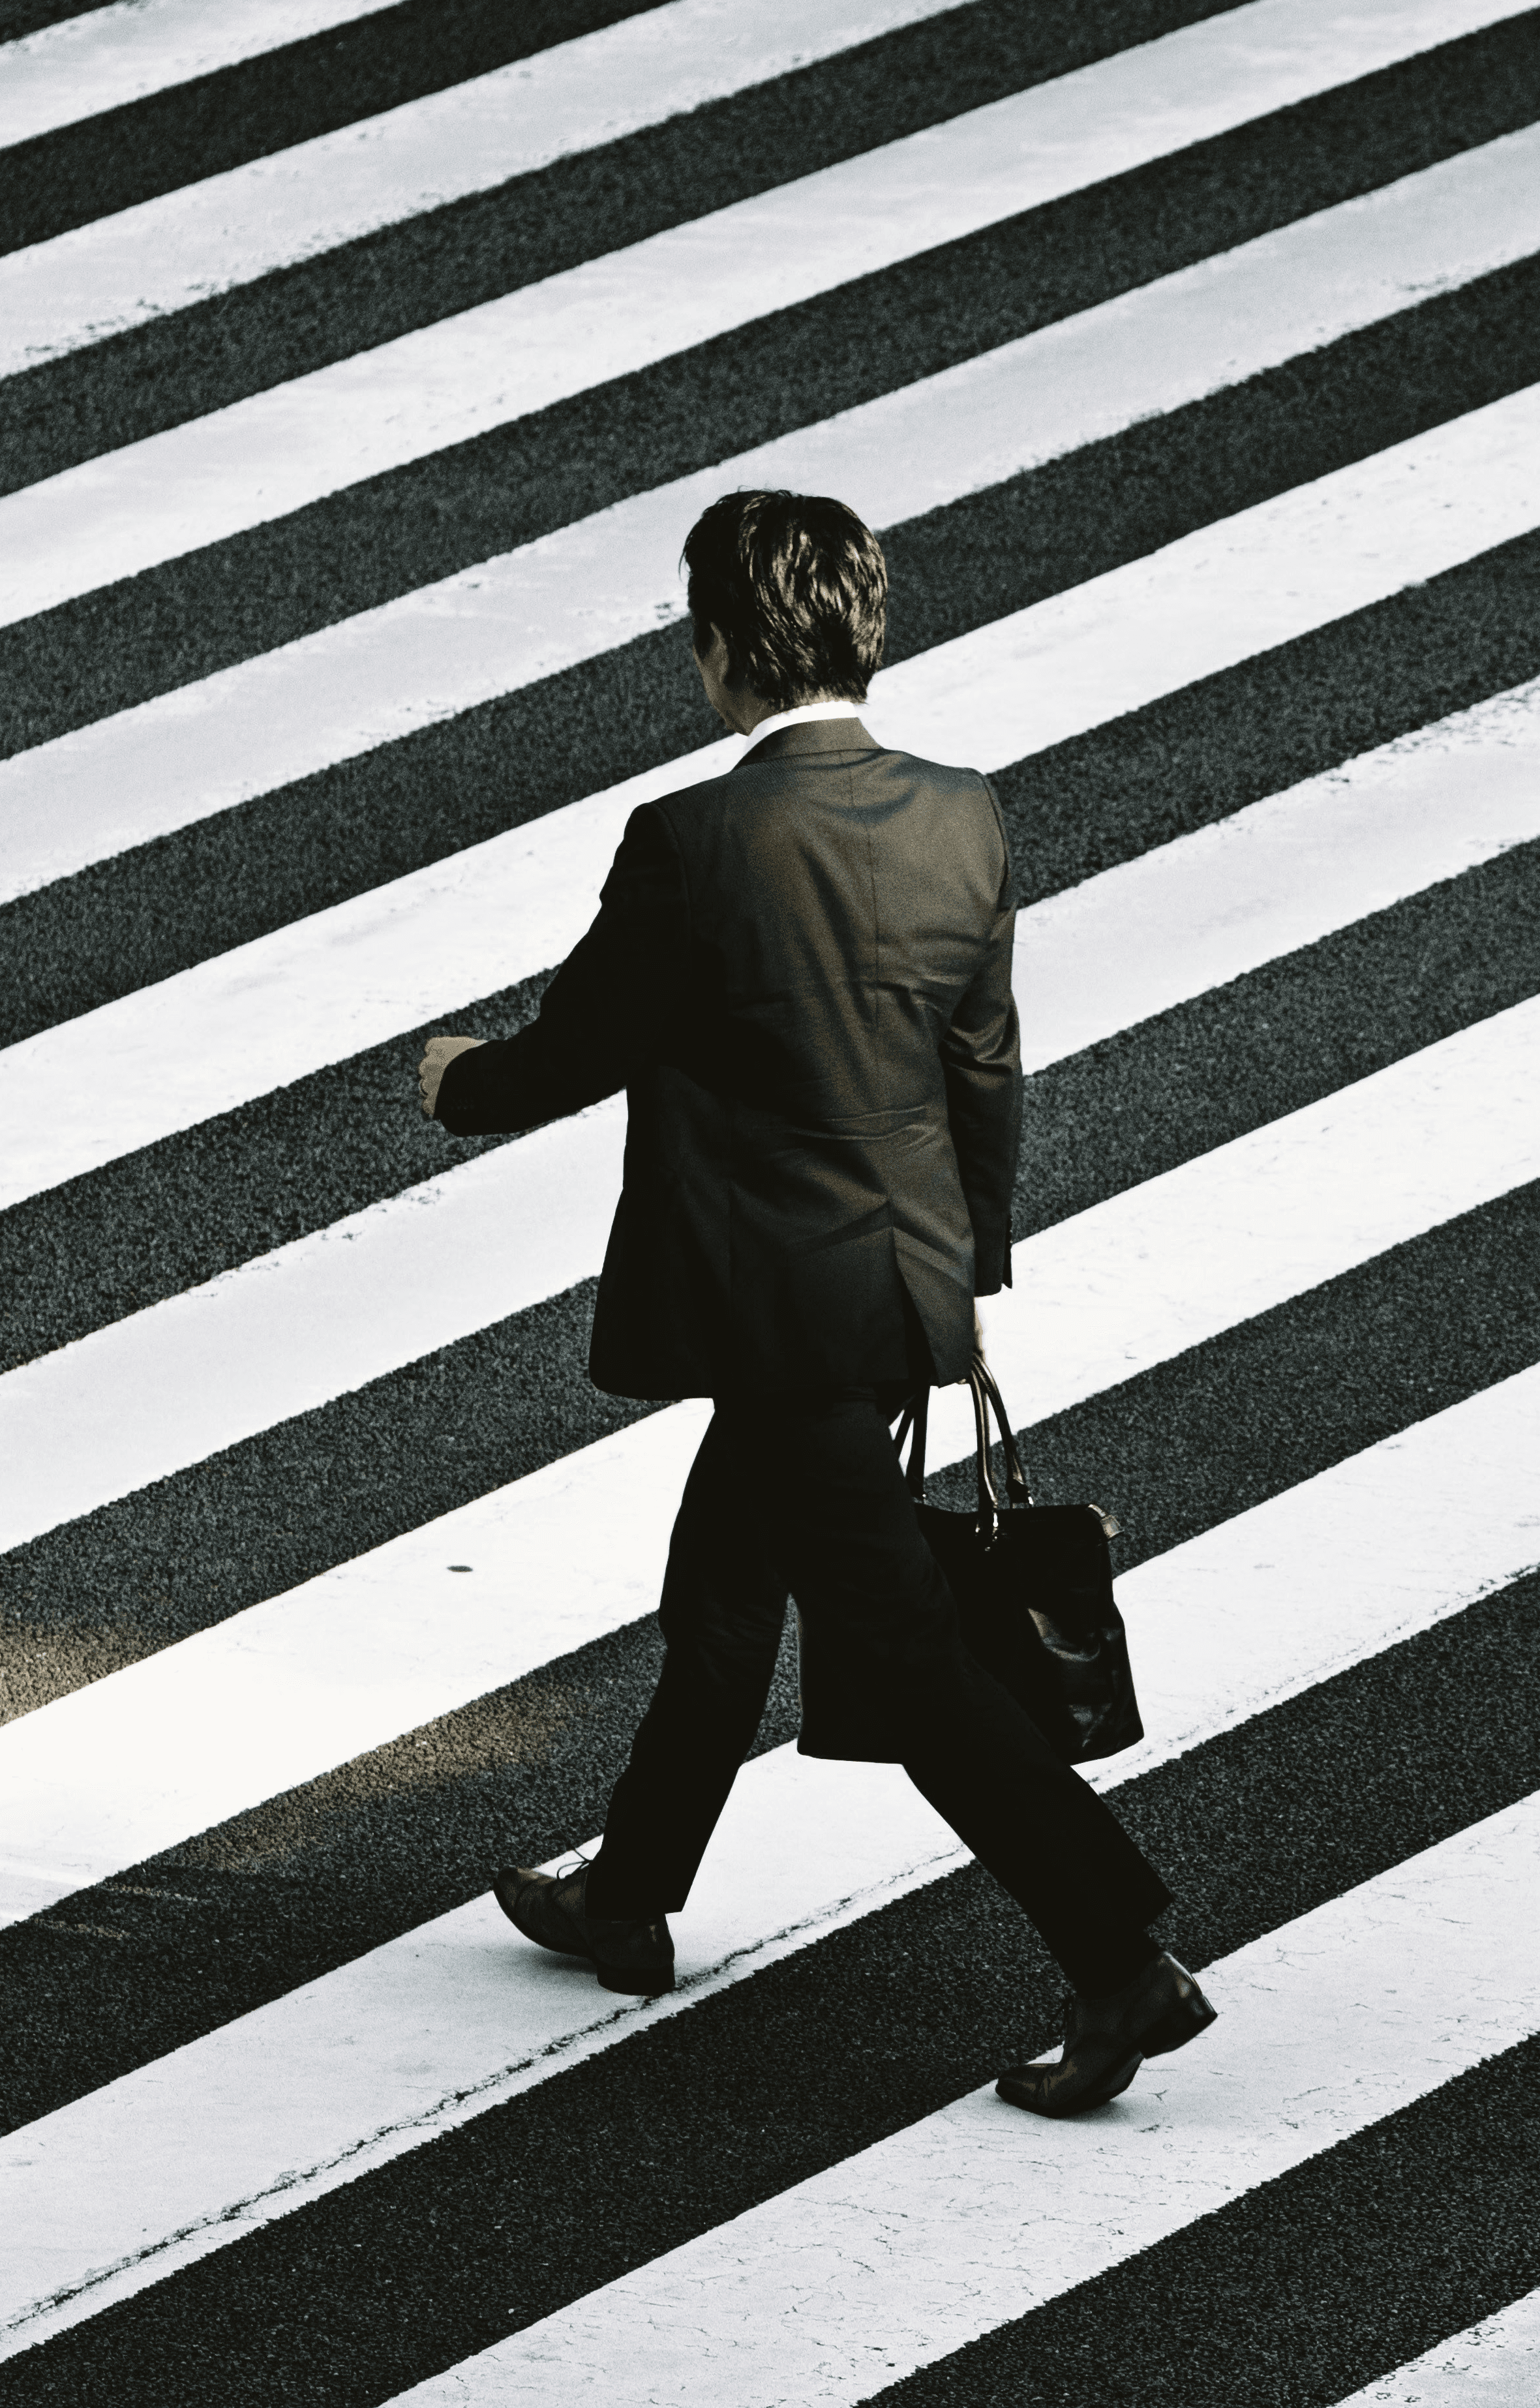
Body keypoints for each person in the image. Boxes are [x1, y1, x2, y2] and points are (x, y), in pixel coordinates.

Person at [419, 490, 1213, 2118]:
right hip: (888, 1288)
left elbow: (574, 1052)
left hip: (760, 1308)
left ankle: (1119, 1955)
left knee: (909, 1660)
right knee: (722, 1593)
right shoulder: (961, 818)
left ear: (719, 651)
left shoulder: (695, 843)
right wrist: (962, 1276)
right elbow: (981, 1071)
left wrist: (451, 1083)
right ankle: (627, 1890)